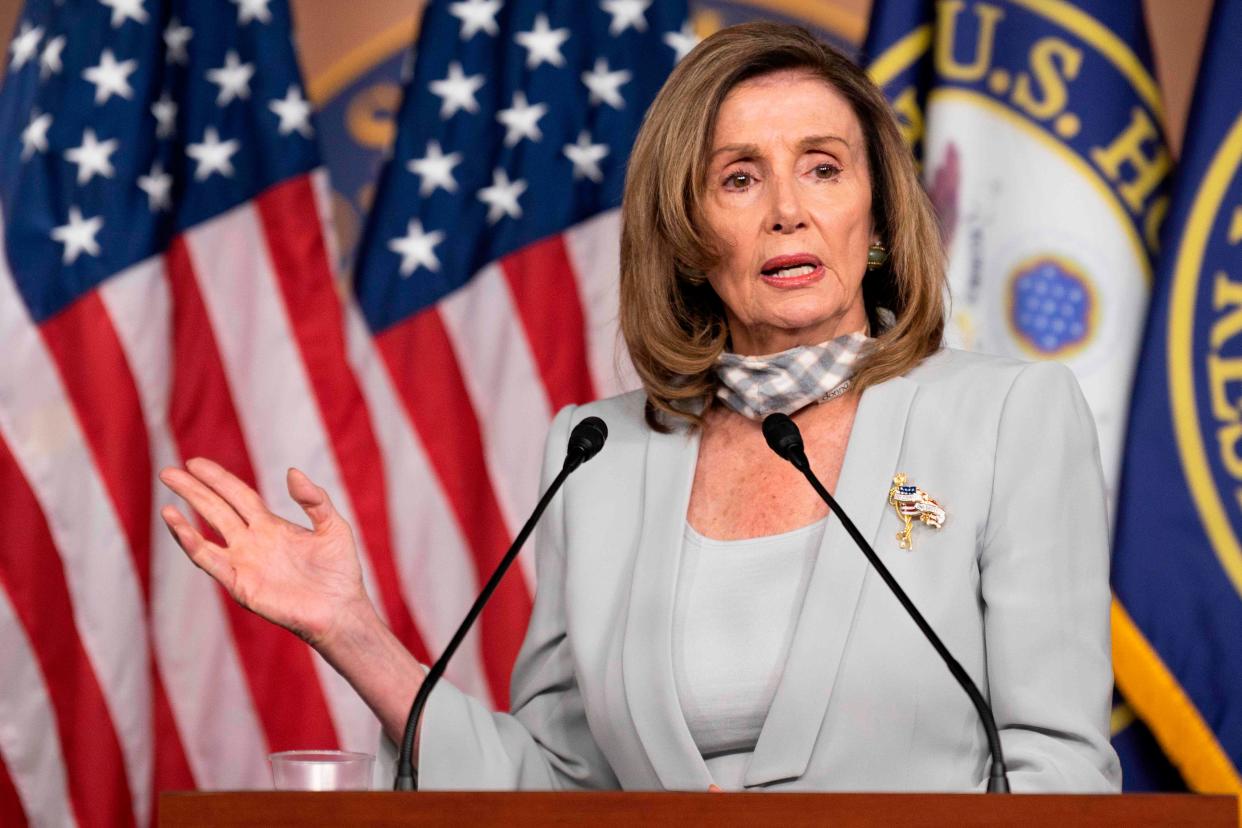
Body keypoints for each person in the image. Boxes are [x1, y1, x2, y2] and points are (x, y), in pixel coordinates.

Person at [159, 22, 1121, 792]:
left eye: (824, 167)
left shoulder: (1006, 421)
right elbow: (555, 785)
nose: (787, 208)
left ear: (875, 220)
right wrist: (349, 629)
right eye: (738, 178)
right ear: (692, 235)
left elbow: (1059, 769)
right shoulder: (597, 456)